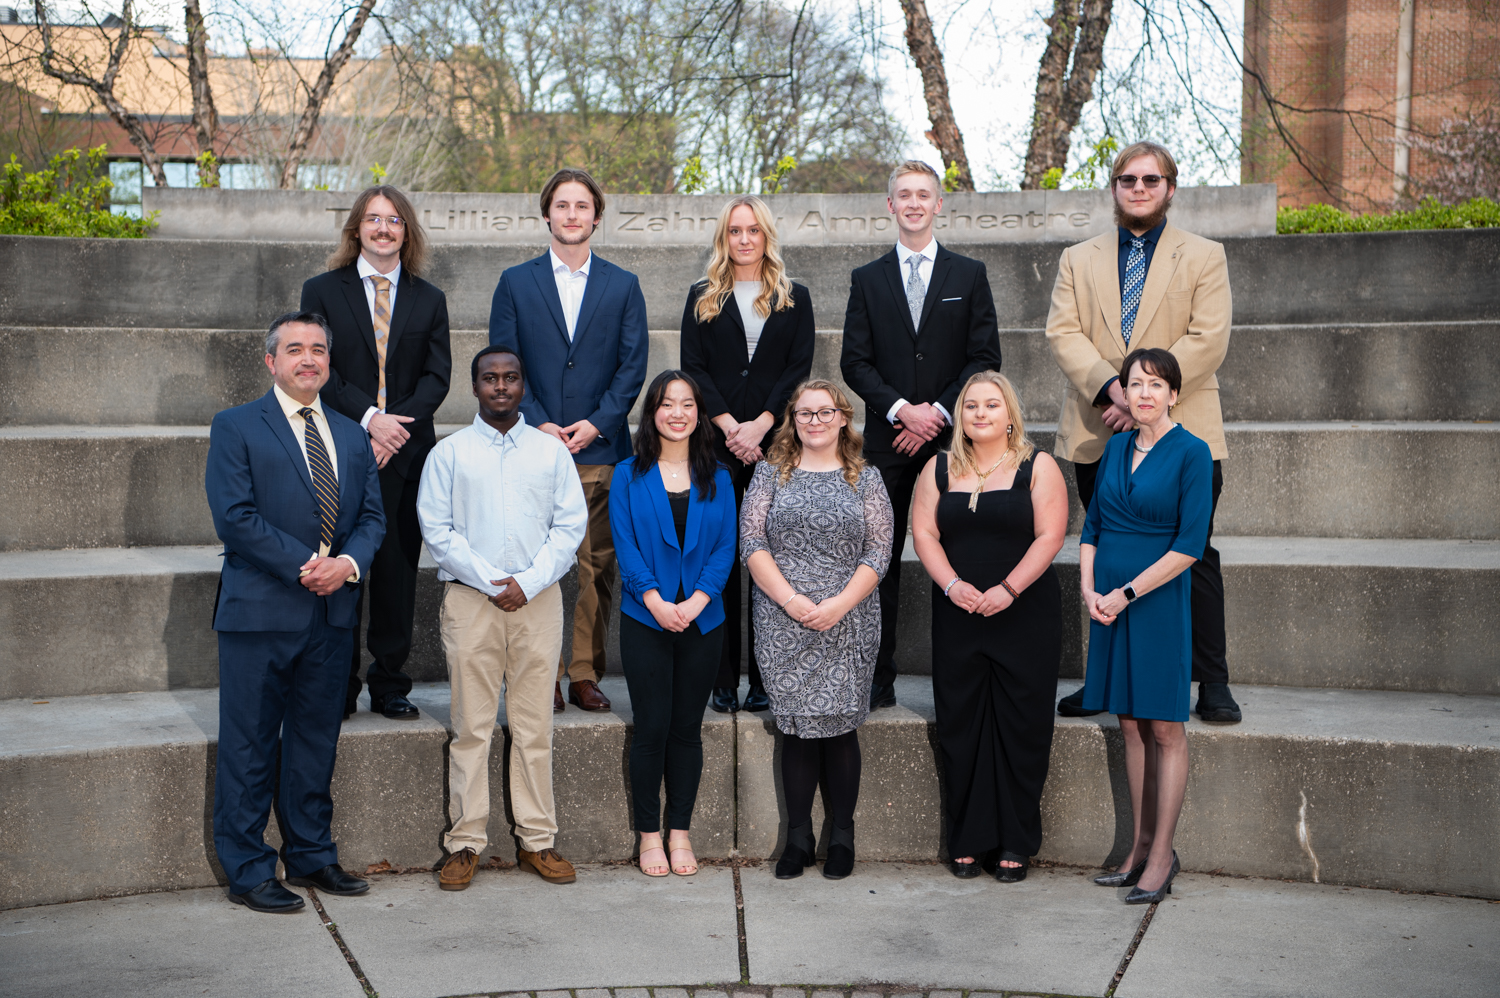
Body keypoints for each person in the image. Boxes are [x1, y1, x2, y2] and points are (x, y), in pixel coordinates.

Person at [1045, 141, 1241, 724]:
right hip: (1098, 427)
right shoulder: (1077, 259)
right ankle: (1105, 678)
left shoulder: (1204, 256)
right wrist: (1116, 390)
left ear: (1169, 188)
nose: (1138, 188)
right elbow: (1063, 333)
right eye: (1128, 179)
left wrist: (1146, 401)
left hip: (1184, 429)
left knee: (1194, 554)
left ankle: (1211, 680)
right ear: (1114, 187)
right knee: (1111, 553)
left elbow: (1209, 338)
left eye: (1151, 180)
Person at [205, 312, 385, 913]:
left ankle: (310, 853)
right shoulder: (236, 426)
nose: (308, 359)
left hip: (331, 614)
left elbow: (372, 519)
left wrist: (347, 564)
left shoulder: (351, 435)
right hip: (260, 613)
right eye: (294, 349)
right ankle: (248, 869)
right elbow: (235, 517)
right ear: (271, 361)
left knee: (315, 741)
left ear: (329, 362)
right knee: (249, 744)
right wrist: (310, 564)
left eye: (318, 350)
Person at [417, 346, 588, 891]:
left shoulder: (550, 452)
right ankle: (465, 842)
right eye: (489, 378)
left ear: (523, 386)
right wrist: (495, 582)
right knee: (471, 726)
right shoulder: (449, 453)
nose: (500, 386)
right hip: (473, 602)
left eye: (510, 377)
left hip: (538, 602)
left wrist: (528, 583)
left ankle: (537, 840)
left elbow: (569, 527)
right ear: (474, 387)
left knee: (535, 726)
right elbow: (437, 530)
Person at [840, 160, 1001, 711]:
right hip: (886, 444)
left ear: (938, 204)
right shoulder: (867, 278)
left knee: (957, 559)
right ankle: (876, 679)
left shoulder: (968, 275)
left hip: (952, 444)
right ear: (890, 205)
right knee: (877, 560)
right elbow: (854, 362)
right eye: (903, 195)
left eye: (923, 195)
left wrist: (934, 413)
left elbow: (985, 357)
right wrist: (902, 411)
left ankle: (957, 682)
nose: (913, 203)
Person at [489, 168, 650, 715]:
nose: (572, 214)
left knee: (595, 567)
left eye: (582, 206)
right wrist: (537, 421)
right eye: (563, 205)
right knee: (536, 566)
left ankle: (583, 672)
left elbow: (632, 367)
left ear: (596, 217)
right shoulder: (516, 282)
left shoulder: (623, 285)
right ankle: (543, 672)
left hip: (599, 449)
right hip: (532, 445)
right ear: (547, 215)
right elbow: (503, 363)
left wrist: (597, 423)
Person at [301, 185, 452, 722]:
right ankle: (339, 684)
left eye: (393, 220)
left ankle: (390, 684)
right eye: (373, 219)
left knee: (396, 570)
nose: (383, 228)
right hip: (341, 447)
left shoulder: (429, 298)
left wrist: (393, 431)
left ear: (406, 231)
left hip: (405, 454)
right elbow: (318, 367)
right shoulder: (322, 291)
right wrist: (370, 420)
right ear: (356, 229)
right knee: (343, 565)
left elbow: (437, 377)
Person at [911, 371, 1067, 883]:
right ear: (960, 415)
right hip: (958, 612)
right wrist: (952, 585)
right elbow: (924, 533)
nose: (981, 413)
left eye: (992, 405)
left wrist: (1009, 589)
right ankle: (969, 839)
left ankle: (1016, 841)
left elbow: (1050, 536)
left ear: (1010, 415)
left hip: (1023, 612)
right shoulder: (937, 467)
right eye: (971, 405)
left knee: (1022, 727)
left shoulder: (1038, 465)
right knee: (962, 727)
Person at [740, 379, 894, 881]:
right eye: (805, 413)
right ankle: (799, 838)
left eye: (825, 412)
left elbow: (879, 550)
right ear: (793, 420)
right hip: (782, 618)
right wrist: (792, 601)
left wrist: (839, 605)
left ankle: (842, 837)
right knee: (798, 730)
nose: (815, 421)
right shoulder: (769, 473)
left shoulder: (866, 478)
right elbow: (752, 542)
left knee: (841, 729)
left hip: (848, 619)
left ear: (843, 418)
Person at [1080, 348, 1213, 904]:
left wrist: (1127, 592)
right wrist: (1089, 589)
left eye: (1156, 385)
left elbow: (1190, 546)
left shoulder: (1193, 453)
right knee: (1131, 725)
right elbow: (1091, 526)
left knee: (1165, 729)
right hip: (1107, 604)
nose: (1144, 394)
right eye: (1135, 384)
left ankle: (1162, 855)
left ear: (1174, 395)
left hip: (1154, 602)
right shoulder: (1114, 447)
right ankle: (1137, 846)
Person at [679, 194, 816, 715]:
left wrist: (760, 424)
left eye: (752, 230)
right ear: (724, 237)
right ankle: (721, 679)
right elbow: (693, 367)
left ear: (766, 236)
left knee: (770, 561)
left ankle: (764, 678)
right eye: (735, 230)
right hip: (716, 445)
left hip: (775, 445)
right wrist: (729, 425)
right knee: (719, 560)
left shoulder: (794, 296)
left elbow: (798, 368)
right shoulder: (702, 295)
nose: (743, 239)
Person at [610, 371, 738, 877]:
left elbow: (725, 547)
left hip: (704, 621)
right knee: (651, 729)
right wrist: (657, 601)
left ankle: (679, 833)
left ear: (699, 413)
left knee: (687, 730)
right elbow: (625, 546)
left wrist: (699, 599)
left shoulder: (719, 476)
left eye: (687, 404)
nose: (677, 413)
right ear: (652, 412)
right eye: (667, 403)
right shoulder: (627, 474)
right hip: (646, 617)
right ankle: (648, 836)